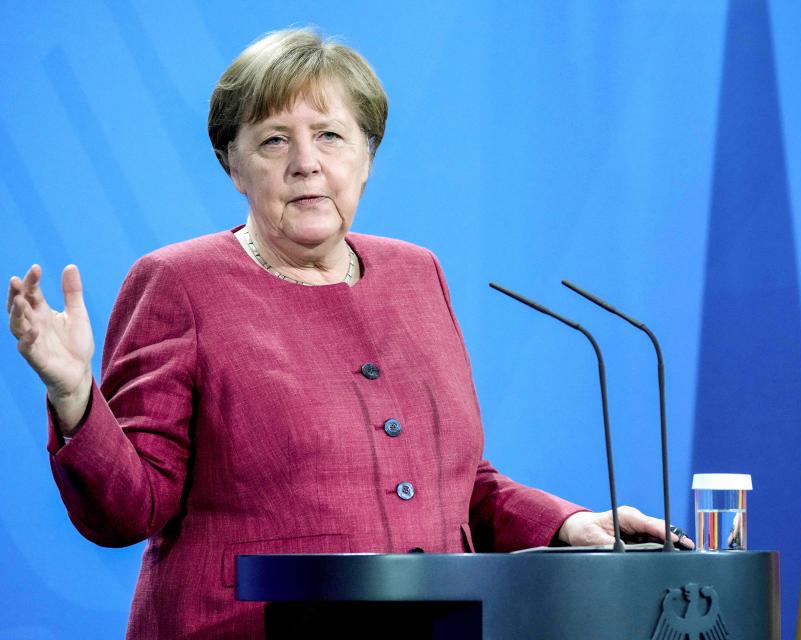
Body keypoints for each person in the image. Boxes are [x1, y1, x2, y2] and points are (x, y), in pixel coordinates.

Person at [6, 28, 689, 639]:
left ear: (367, 155)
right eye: (274, 139)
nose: (307, 162)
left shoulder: (417, 273)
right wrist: (74, 398)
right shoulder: (178, 284)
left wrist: (569, 526)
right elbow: (131, 510)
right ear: (233, 166)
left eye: (330, 135)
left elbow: (457, 484)